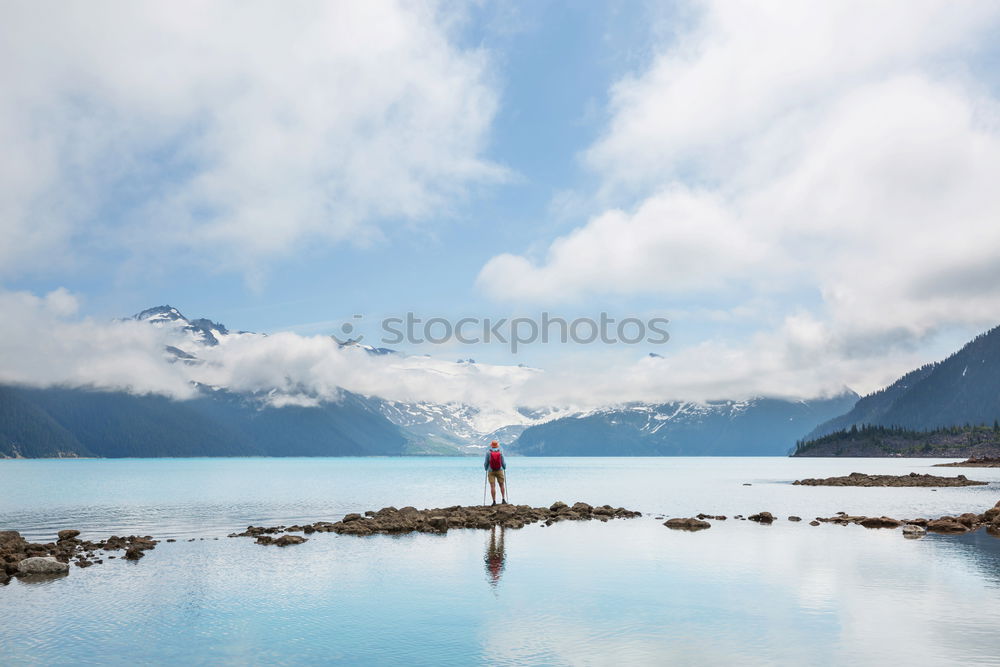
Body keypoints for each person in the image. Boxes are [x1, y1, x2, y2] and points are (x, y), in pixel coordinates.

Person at [484, 440, 507, 505]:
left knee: (492, 486)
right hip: (499, 470)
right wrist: (504, 467)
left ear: (491, 445)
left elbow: (486, 462)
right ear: (497, 445)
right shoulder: (500, 452)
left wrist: (486, 468)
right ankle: (503, 499)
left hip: (491, 471)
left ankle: (494, 501)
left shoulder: (488, 452)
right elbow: (503, 462)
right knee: (502, 485)